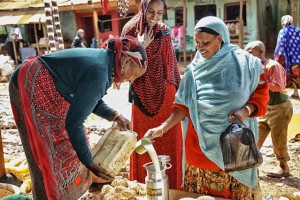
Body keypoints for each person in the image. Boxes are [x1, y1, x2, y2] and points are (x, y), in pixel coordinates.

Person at [145, 16, 269, 199]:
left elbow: (261, 93)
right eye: (196, 42)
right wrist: (163, 127)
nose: (200, 47)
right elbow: (183, 106)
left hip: (236, 149)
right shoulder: (194, 71)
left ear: (220, 38)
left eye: (206, 42)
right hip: (200, 149)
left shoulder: (245, 64)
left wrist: (246, 110)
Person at [9, 37, 147, 200]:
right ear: (125, 62)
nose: (132, 80)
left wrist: (115, 115)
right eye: (135, 75)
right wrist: (89, 162)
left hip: (51, 92)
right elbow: (74, 122)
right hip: (30, 84)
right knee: (43, 152)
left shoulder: (105, 66)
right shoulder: (101, 71)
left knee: (70, 149)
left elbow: (87, 98)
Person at [121, 0, 182, 189]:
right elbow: (124, 65)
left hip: (165, 94)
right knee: (142, 143)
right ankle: (141, 187)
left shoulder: (163, 30)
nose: (155, 18)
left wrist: (178, 89)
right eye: (151, 12)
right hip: (140, 93)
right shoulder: (130, 30)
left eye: (159, 13)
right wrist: (141, 47)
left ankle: (171, 188)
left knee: (169, 139)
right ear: (143, 9)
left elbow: (170, 64)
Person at [245, 41, 293, 178]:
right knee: (255, 139)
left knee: (278, 141)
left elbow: (278, 86)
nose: (247, 55)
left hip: (279, 109)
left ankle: (284, 169)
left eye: (250, 52)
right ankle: (250, 168)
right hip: (265, 109)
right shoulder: (254, 67)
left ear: (260, 52)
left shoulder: (273, 66)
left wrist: (259, 82)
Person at [274, 15, 300, 98]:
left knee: (283, 75)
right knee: (296, 75)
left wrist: (277, 57)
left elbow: (280, 45)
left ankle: (283, 94)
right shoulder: (298, 30)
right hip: (297, 57)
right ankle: (296, 93)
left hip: (286, 57)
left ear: (282, 22)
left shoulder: (283, 31)